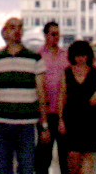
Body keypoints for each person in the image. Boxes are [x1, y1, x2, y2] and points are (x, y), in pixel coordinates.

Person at [0, 16, 46, 174]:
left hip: (27, 124)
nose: (17, 30)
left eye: (20, 27)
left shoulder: (35, 59)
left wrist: (44, 125)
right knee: (3, 168)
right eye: (12, 27)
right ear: (4, 32)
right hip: (2, 123)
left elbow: (42, 93)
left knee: (27, 168)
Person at [55, 42, 96, 174]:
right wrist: (60, 119)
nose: (81, 59)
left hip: (90, 121)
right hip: (71, 121)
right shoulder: (66, 73)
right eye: (78, 56)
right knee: (72, 159)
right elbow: (62, 97)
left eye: (84, 55)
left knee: (88, 158)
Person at [35, 23, 68, 174]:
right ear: (46, 35)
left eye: (58, 34)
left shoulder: (66, 55)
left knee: (65, 153)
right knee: (44, 153)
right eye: (53, 34)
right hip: (45, 111)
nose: (56, 37)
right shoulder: (38, 56)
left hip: (64, 111)